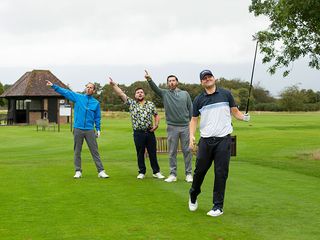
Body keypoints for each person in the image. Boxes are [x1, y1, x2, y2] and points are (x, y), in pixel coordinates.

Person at [188, 70, 250, 217]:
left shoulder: (226, 94)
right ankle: (193, 193)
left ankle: (217, 206)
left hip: (223, 139)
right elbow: (194, 119)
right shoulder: (198, 100)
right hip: (206, 140)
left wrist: (244, 117)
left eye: (209, 77)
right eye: (204, 78)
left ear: (214, 79)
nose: (207, 79)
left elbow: (235, 112)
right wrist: (191, 136)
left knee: (221, 173)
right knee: (199, 171)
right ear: (201, 82)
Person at [46, 80, 109, 179]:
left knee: (94, 151)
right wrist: (54, 86)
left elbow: (97, 117)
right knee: (77, 151)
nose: (88, 89)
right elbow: (66, 92)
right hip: (78, 129)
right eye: (87, 87)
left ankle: (101, 171)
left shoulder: (96, 103)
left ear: (94, 90)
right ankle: (78, 171)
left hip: (89, 130)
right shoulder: (78, 97)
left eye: (91, 87)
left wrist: (98, 129)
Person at [109, 77, 165, 180]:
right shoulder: (132, 104)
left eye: (141, 92)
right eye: (138, 92)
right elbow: (121, 94)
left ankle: (156, 172)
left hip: (149, 132)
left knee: (152, 153)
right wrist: (114, 85)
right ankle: (142, 172)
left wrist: (156, 125)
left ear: (144, 94)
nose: (140, 94)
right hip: (138, 133)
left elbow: (156, 115)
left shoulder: (150, 104)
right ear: (135, 95)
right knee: (140, 153)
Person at [145, 70, 193, 183]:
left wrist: (190, 124)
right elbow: (155, 89)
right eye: (169, 81)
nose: (171, 82)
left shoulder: (185, 94)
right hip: (172, 127)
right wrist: (149, 79)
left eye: (173, 80)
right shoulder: (165, 93)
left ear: (177, 82)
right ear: (167, 83)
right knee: (172, 152)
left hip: (185, 126)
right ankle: (173, 174)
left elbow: (190, 109)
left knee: (187, 151)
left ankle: (189, 174)